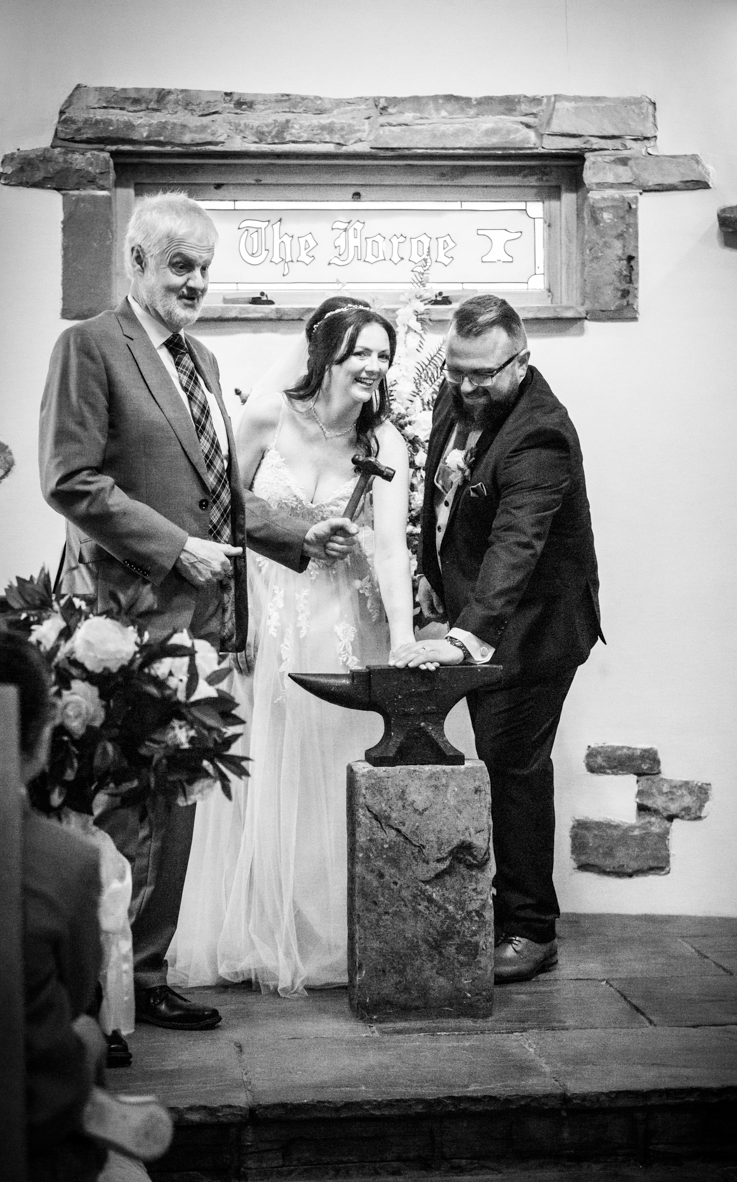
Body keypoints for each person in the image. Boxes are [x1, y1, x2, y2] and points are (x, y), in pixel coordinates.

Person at [38, 193, 359, 1031]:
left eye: (205, 268)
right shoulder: (90, 347)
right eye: (180, 265)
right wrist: (174, 548)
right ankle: (95, 994)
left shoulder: (201, 360)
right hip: (125, 619)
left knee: (174, 803)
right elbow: (69, 479)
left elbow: (215, 495)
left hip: (201, 624)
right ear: (136, 261)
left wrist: (295, 534)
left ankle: (144, 977)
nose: (196, 282)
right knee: (124, 810)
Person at [169, 302, 429, 995]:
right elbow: (219, 515)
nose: (373, 366)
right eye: (359, 353)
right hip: (267, 612)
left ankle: (329, 934)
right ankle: (255, 929)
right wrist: (229, 621)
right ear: (324, 355)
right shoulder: (266, 416)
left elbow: (392, 550)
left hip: (342, 619)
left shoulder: (385, 443)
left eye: (382, 355)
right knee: (263, 765)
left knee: (330, 767)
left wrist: (403, 640)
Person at [395, 295, 603, 984]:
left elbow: (517, 544)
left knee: (513, 768)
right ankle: (497, 909)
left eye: (482, 373)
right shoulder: (458, 397)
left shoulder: (540, 436)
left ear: (520, 360)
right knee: (490, 761)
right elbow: (444, 504)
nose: (466, 386)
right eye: (455, 370)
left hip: (536, 630)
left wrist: (465, 637)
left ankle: (530, 930)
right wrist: (429, 577)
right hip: (479, 615)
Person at [0, 628, 103, 1182]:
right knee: (87, 1038)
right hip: (13, 1170)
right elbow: (76, 995)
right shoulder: (65, 862)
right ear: (42, 736)